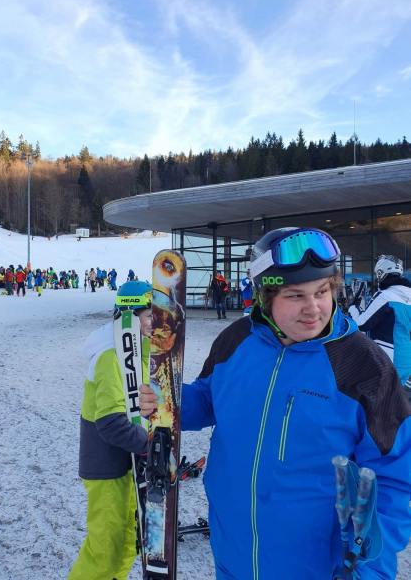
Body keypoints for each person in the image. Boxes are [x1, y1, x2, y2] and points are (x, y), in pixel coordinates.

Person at [140, 227, 411, 580]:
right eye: (295, 295)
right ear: (266, 297)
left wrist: (369, 567)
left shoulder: (364, 366)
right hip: (234, 554)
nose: (313, 308)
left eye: (322, 291)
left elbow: (394, 479)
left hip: (318, 568)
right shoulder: (236, 341)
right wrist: (170, 401)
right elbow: (210, 397)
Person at [68, 281, 152, 580]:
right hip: (106, 468)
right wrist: (149, 445)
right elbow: (111, 422)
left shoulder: (134, 352)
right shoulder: (111, 356)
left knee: (126, 543)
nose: (154, 324)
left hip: (125, 465)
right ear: (130, 316)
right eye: (149, 316)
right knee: (104, 551)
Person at [349, 254, 411, 394]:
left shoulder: (384, 296)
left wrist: (353, 306)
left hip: (388, 358)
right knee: (399, 400)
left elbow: (361, 324)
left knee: (380, 401)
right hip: (407, 357)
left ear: (381, 273)